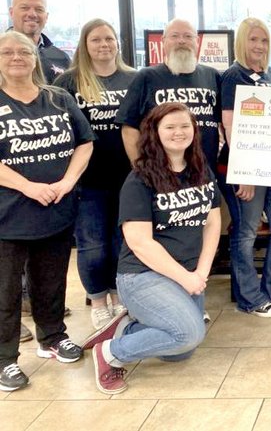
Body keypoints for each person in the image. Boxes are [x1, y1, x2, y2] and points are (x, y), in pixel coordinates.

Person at [84, 102, 221, 395]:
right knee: (188, 333)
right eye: (169, 127)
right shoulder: (140, 178)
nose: (178, 132)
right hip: (143, 274)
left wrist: (201, 272)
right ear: (155, 133)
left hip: (186, 272)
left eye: (185, 126)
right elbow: (140, 243)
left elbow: (212, 222)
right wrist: (187, 279)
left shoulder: (200, 169)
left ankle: (127, 327)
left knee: (180, 351)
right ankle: (110, 352)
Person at [0, 30, 94, 391]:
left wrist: (68, 181)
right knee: (5, 291)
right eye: (7, 52)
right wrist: (27, 186)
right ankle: (5, 359)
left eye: (23, 51)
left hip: (56, 208)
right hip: (9, 215)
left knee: (51, 282)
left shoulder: (57, 98)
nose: (16, 57)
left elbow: (84, 143)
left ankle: (52, 337)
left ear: (34, 56)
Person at [218, 18, 271, 317]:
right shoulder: (233, 76)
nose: (259, 46)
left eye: (264, 41)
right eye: (253, 40)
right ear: (242, 42)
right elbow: (229, 127)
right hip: (246, 169)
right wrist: (243, 172)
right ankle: (250, 297)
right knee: (246, 232)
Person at [53, 19, 136, 330]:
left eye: (109, 39)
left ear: (117, 43)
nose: (104, 45)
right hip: (87, 181)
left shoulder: (133, 79)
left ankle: (118, 297)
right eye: (96, 40)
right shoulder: (69, 83)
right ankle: (98, 300)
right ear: (84, 46)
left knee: (120, 243)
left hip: (128, 178)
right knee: (92, 246)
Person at [116, 18, 221, 171]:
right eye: (174, 36)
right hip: (161, 174)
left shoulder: (212, 76)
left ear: (197, 41)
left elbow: (223, 123)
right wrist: (141, 169)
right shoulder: (146, 77)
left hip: (205, 172)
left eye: (188, 36)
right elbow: (129, 128)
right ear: (163, 41)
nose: (181, 41)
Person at [8, 0, 71, 83]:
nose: (32, 14)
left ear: (46, 17)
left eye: (39, 9)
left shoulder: (63, 59)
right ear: (11, 13)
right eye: (24, 8)